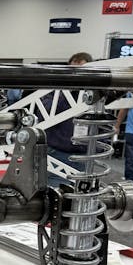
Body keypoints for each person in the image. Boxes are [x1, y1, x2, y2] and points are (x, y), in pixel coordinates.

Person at [42, 52, 92, 187]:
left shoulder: (94, 95)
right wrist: (67, 91)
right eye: (73, 71)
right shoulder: (55, 91)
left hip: (84, 155)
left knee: (79, 192)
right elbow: (45, 112)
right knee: (55, 191)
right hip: (58, 153)